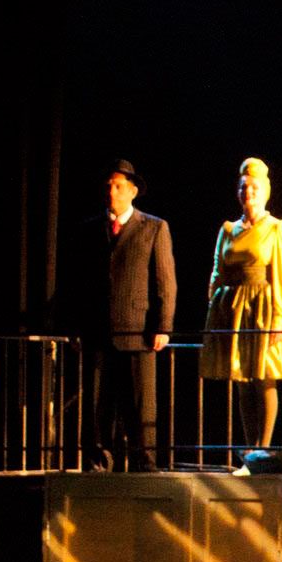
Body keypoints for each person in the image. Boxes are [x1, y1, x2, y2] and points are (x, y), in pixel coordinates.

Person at [77, 159, 175, 471]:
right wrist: (77, 326)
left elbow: (165, 281)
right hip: (99, 330)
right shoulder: (90, 228)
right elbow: (79, 281)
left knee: (140, 404)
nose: (112, 192)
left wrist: (163, 325)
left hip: (137, 330)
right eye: (109, 186)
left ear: (133, 191)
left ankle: (143, 462)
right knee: (97, 403)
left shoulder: (154, 227)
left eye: (119, 186)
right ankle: (98, 461)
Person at [202, 158, 282, 455]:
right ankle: (249, 449)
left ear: (265, 192)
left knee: (264, 377)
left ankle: (263, 448)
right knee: (242, 381)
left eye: (255, 188)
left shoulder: (276, 228)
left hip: (263, 309)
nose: (249, 192)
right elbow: (218, 270)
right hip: (233, 310)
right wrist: (215, 304)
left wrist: (280, 319)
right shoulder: (228, 229)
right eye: (244, 187)